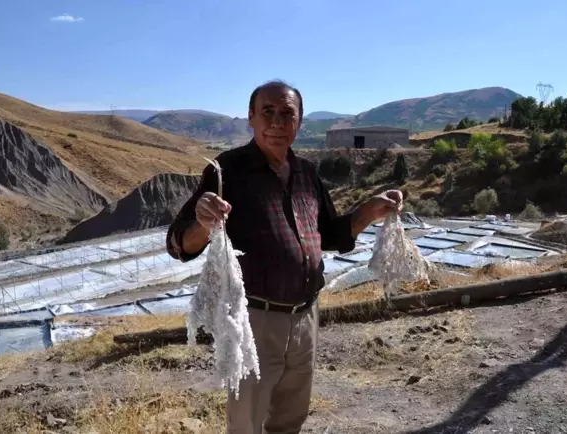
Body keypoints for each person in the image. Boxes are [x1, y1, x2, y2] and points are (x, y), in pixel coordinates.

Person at [166, 80, 403, 434]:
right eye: (268, 113)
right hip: (256, 322)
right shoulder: (227, 170)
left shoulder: (307, 174)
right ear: (251, 118)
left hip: (306, 318)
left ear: (299, 121)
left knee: (291, 417)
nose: (277, 122)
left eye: (287, 114)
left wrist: (369, 211)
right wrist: (203, 222)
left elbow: (334, 234)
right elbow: (179, 244)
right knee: (247, 422)